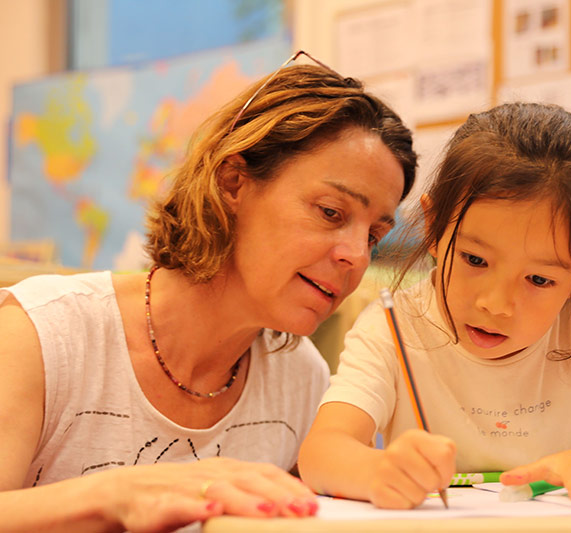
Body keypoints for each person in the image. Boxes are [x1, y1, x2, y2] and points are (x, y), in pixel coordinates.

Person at [0, 52, 417, 532]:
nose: (357, 257)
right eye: (330, 212)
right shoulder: (43, 335)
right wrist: (119, 495)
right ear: (232, 182)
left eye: (374, 236)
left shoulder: (300, 378)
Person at [298, 102, 571, 510]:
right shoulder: (391, 326)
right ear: (434, 227)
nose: (496, 305)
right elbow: (321, 453)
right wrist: (377, 470)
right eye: (475, 260)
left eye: (538, 280)